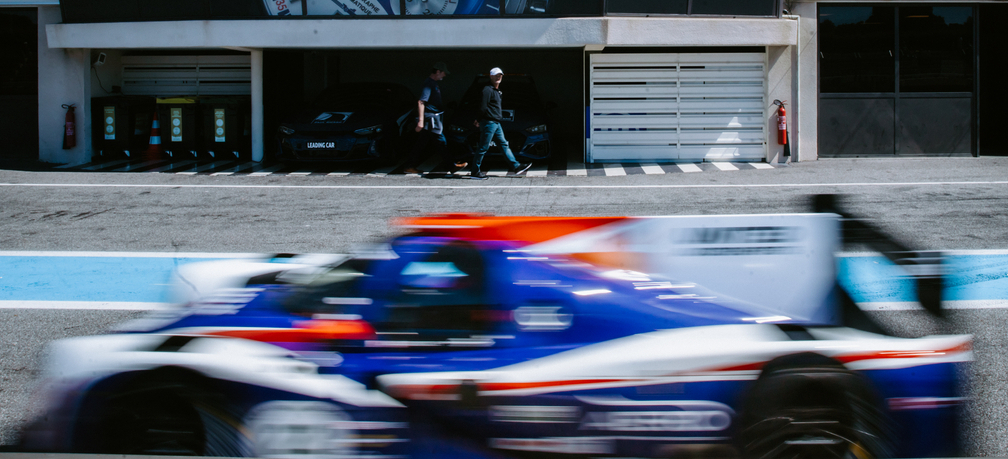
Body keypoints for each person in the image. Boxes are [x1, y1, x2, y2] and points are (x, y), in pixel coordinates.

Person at [402, 62, 467, 175]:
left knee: (421, 144)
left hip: (432, 119)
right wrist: (421, 122)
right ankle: (451, 166)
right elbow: (421, 102)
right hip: (431, 119)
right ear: (438, 71)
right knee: (441, 141)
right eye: (443, 73)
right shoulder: (429, 84)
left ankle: (409, 166)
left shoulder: (433, 83)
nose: (444, 75)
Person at [469, 67, 531, 179]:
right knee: (483, 147)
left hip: (496, 123)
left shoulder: (497, 91)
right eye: (496, 75)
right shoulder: (487, 90)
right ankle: (475, 172)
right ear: (491, 76)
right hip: (489, 122)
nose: (498, 77)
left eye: (500, 75)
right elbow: (483, 107)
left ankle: (516, 166)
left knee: (503, 145)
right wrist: (478, 120)